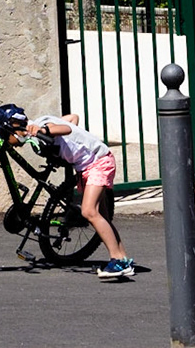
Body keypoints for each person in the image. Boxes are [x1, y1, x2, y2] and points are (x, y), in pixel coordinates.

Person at [26, 111, 134, 278]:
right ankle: (123, 259)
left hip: (98, 162)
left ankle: (118, 261)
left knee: (89, 211)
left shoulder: (44, 126)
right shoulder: (43, 120)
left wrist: (45, 131)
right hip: (87, 167)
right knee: (102, 216)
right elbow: (72, 118)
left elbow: (66, 129)